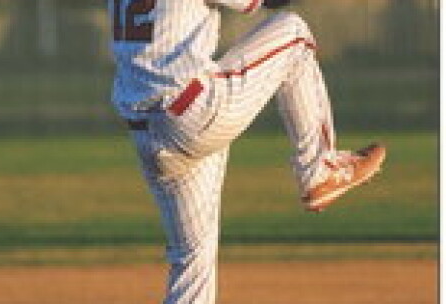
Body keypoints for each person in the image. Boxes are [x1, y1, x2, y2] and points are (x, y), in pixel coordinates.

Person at [107, 0, 386, 303]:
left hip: (146, 131)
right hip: (192, 112)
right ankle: (319, 170)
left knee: (192, 261)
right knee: (294, 33)